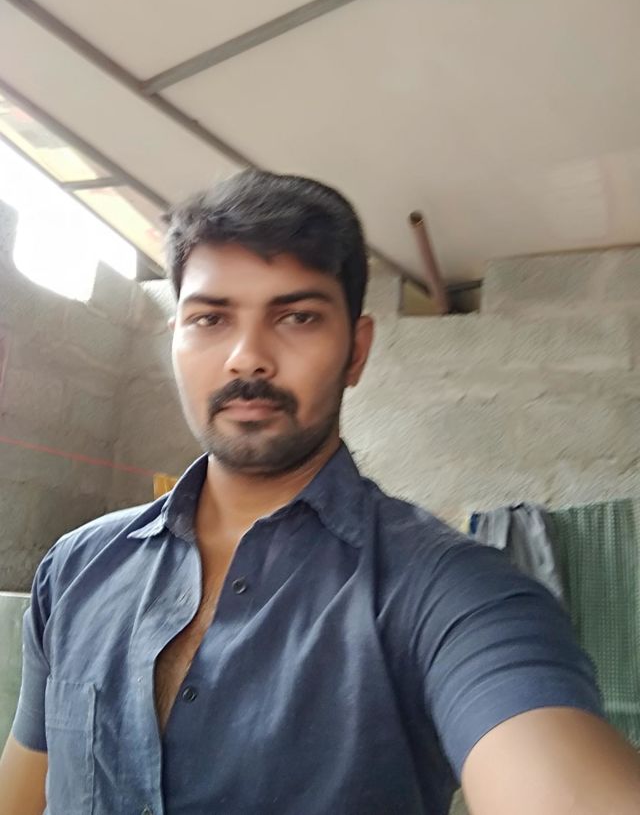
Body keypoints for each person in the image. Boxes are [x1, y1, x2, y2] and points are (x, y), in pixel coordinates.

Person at [1, 170, 638, 815]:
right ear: (175, 343)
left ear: (355, 352)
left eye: (298, 317)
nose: (247, 357)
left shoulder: (450, 591)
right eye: (210, 318)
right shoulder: (75, 567)